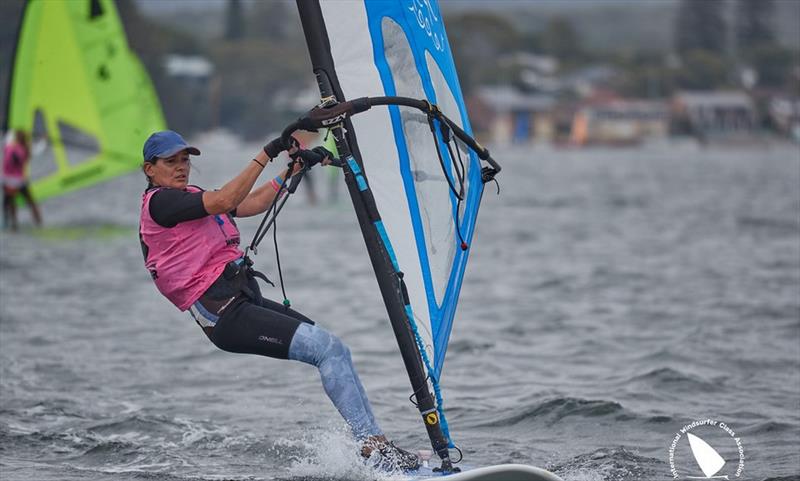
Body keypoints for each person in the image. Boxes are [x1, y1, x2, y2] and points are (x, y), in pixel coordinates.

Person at [138, 130, 419, 471]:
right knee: (325, 348)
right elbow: (226, 200)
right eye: (171, 162)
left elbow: (248, 203)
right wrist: (268, 151)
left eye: (185, 160)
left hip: (241, 303)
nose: (181, 167)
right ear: (149, 169)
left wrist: (292, 170)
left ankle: (369, 447)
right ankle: (375, 452)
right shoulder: (161, 202)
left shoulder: (189, 197)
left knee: (335, 351)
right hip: (224, 316)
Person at [3, 130, 42, 231]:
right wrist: (43, 139)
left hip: (9, 180)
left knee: (11, 203)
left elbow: (8, 137)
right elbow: (36, 150)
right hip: (19, 180)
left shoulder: (9, 147)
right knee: (30, 201)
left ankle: (13, 225)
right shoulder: (26, 150)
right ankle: (38, 221)